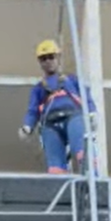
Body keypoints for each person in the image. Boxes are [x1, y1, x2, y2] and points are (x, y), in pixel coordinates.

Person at [19, 39, 97, 175]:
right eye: (44, 59)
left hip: (72, 116)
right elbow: (33, 110)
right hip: (50, 123)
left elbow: (86, 95)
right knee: (55, 165)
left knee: (82, 150)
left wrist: (92, 112)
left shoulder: (71, 80)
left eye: (51, 57)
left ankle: (92, 179)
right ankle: (59, 183)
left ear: (58, 58)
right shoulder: (39, 88)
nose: (48, 61)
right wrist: (27, 126)